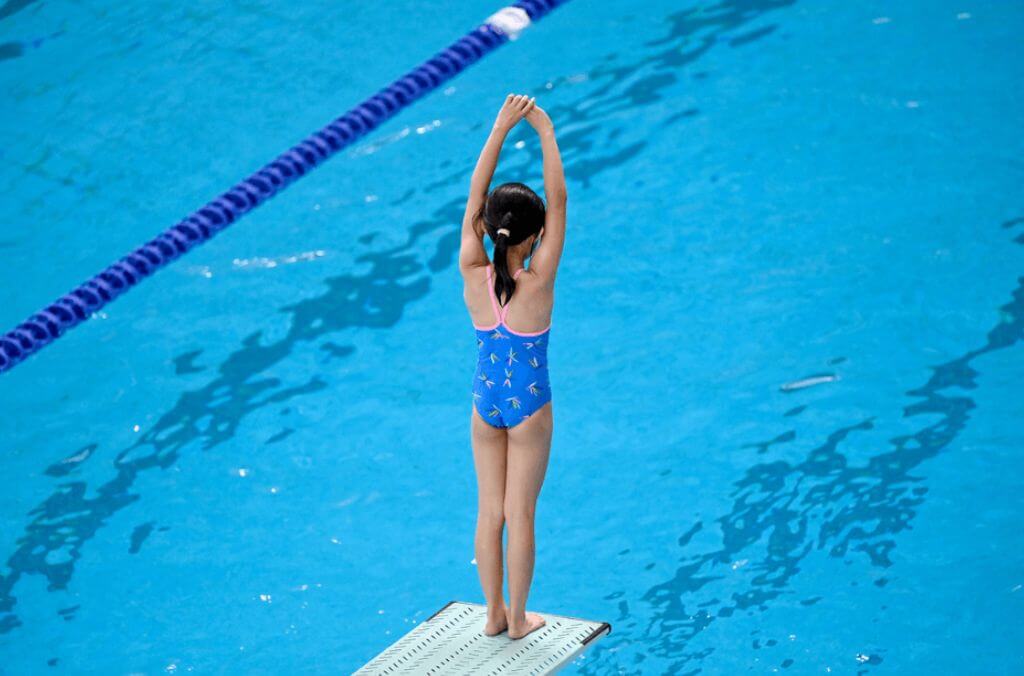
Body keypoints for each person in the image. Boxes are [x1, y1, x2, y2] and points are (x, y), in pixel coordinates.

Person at [458, 93, 567, 639]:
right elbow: (560, 201)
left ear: (488, 228)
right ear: (535, 236)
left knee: (489, 513)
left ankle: (493, 615)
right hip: (527, 409)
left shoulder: (471, 268)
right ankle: (520, 619)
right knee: (519, 514)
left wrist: (498, 128)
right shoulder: (538, 283)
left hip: (485, 405)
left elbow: (475, 197)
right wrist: (544, 131)